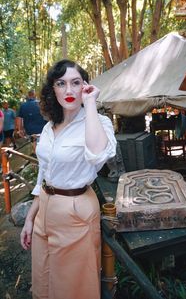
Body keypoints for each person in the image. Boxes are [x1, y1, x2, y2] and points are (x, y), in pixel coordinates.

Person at [20, 59, 117, 299]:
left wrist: (90, 103)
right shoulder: (50, 126)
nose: (69, 90)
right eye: (61, 83)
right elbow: (45, 172)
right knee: (44, 277)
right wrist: (30, 218)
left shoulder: (98, 122)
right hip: (44, 207)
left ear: (85, 86)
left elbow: (97, 155)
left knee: (74, 283)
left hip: (76, 210)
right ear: (53, 89)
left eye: (76, 83)